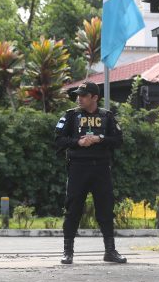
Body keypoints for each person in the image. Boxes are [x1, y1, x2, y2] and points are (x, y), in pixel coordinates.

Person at [54, 81, 127, 264]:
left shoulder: (107, 116)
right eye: (78, 95)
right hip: (78, 167)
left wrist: (99, 139)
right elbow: (58, 139)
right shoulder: (71, 116)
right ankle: (68, 252)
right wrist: (78, 142)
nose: (79, 98)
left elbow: (118, 140)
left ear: (95, 97)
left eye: (84, 95)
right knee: (73, 210)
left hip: (101, 168)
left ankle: (110, 251)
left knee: (105, 210)